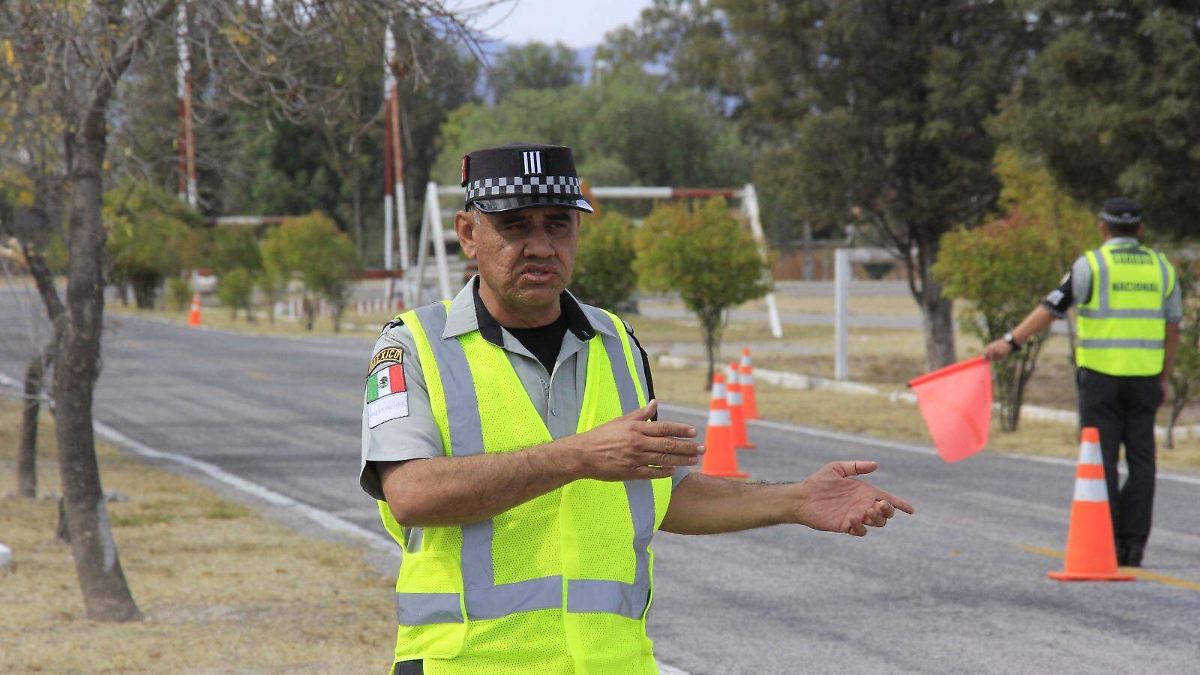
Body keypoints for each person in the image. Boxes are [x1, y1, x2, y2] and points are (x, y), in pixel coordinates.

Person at [360, 143, 914, 675]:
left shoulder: (616, 343)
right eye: (516, 226)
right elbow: (411, 494)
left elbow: (658, 494)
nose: (541, 246)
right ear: (468, 234)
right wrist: (577, 457)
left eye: (558, 224)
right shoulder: (413, 346)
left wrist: (795, 499)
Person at [983, 197, 1180, 568]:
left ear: (1103, 228)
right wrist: (1164, 376)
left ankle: (1106, 540)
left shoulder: (1091, 265)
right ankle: (1133, 547)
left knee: (1100, 461)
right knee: (1142, 462)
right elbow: (1173, 329)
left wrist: (1010, 342)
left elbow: (1051, 307)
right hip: (1144, 378)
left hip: (1100, 379)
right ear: (1140, 230)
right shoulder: (1162, 268)